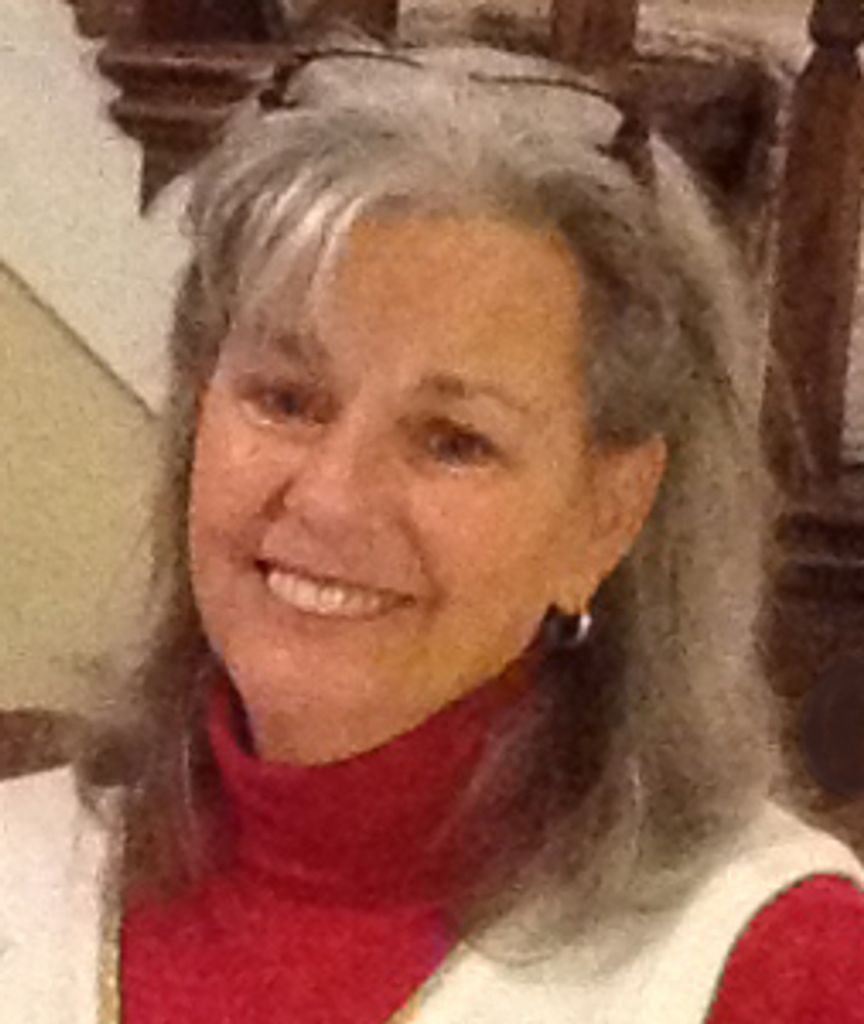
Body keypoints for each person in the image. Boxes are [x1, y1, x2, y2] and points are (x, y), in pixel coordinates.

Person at [3, 28, 864, 1024]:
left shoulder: (781, 963)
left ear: (610, 514)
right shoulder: (21, 866)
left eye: (454, 441)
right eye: (287, 399)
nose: (332, 497)